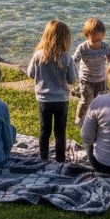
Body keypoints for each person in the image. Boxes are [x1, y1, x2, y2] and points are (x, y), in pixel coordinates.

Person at [26, 19, 78, 162]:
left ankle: (43, 159)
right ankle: (60, 160)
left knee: (44, 131)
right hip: (61, 100)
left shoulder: (38, 55)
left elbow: (30, 73)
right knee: (60, 132)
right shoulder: (66, 57)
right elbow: (72, 79)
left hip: (44, 99)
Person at [72, 17, 110, 125]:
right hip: (86, 79)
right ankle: (79, 119)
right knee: (85, 100)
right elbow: (74, 60)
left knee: (99, 101)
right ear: (87, 36)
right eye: (94, 40)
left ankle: (96, 119)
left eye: (100, 40)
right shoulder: (83, 48)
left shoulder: (105, 47)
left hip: (100, 79)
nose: (97, 43)